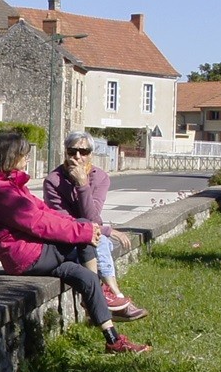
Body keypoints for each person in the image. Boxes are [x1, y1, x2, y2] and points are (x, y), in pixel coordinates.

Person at [0, 130, 151, 354]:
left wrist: (92, 229)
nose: (28, 159)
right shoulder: (1, 192)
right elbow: (40, 223)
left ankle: (113, 340)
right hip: (25, 257)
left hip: (35, 253)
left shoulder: (12, 186)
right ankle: (102, 293)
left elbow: (46, 212)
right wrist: (85, 231)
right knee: (83, 235)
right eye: (24, 154)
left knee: (85, 276)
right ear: (12, 156)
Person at [43, 131, 147, 320]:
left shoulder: (99, 178)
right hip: (67, 240)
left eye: (83, 151)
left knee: (100, 242)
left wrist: (82, 184)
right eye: (72, 151)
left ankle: (108, 299)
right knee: (101, 241)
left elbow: (92, 217)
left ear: (91, 153)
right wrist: (106, 230)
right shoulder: (53, 181)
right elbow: (66, 222)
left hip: (89, 238)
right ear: (65, 153)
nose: (77, 156)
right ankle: (116, 297)